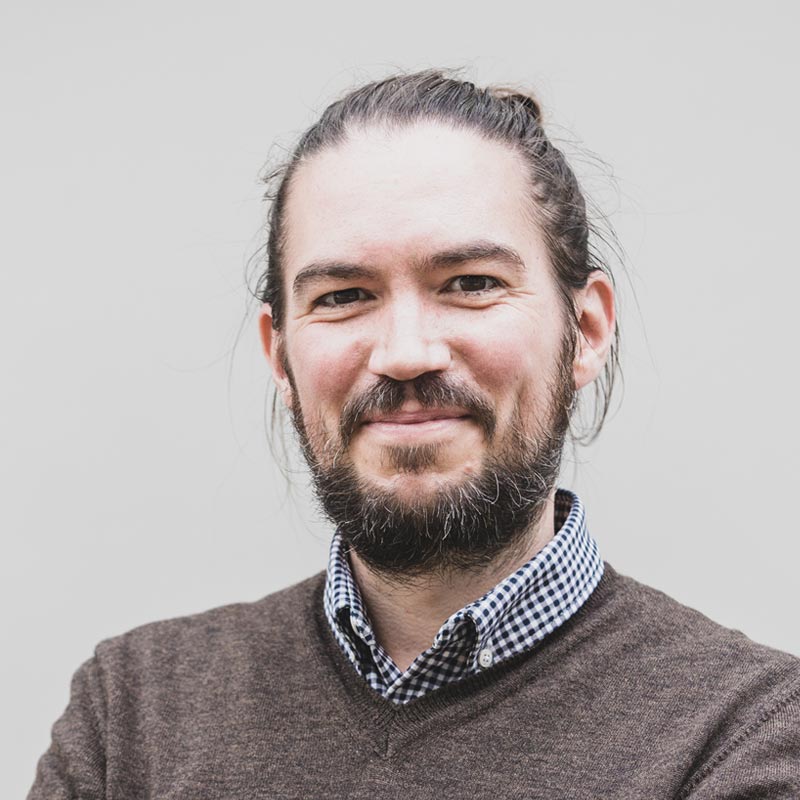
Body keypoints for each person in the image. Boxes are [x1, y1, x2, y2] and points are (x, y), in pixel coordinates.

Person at [29, 70, 800, 799]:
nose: (404, 354)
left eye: (471, 284)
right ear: (281, 354)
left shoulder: (744, 731)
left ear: (588, 331)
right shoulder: (133, 716)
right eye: (343, 296)